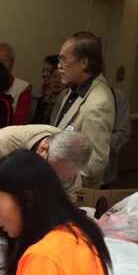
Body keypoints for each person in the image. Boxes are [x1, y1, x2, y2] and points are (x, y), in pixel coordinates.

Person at [0, 126, 91, 235]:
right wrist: (3, 226)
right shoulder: (3, 143)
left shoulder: (70, 156)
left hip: (16, 193)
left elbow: (67, 196)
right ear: (42, 149)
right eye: (51, 174)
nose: (53, 181)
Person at [51, 31, 116, 188]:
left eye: (64, 59)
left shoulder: (99, 102)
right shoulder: (73, 89)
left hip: (71, 191)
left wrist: (57, 180)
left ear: (84, 63)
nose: (58, 66)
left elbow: (94, 164)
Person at [0, 43, 33, 125]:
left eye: (5, 60)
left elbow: (19, 123)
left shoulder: (23, 88)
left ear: (12, 63)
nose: (0, 63)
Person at [103, 87, 131, 186]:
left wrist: (97, 143)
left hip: (103, 173)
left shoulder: (117, 96)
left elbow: (124, 133)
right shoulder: (65, 94)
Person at [33, 55, 64, 124]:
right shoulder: (43, 100)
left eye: (48, 71)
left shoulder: (65, 101)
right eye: (43, 70)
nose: (45, 74)